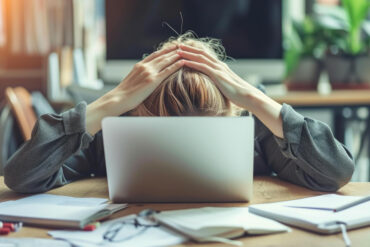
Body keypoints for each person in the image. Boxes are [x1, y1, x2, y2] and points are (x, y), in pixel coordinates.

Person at [4, 32, 354, 193]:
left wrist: (251, 96)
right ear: (136, 114)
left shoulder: (255, 126)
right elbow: (21, 176)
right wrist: (111, 103)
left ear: (232, 113)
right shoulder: (114, 128)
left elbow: (336, 171)